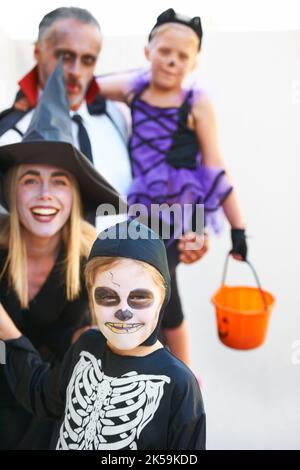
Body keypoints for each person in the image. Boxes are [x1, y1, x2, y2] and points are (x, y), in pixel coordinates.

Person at [97, 8, 248, 367]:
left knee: (164, 285)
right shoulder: (134, 89)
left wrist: (238, 228)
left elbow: (215, 165)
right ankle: (142, 360)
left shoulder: (196, 102)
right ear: (147, 51)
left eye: (183, 56)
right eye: (164, 51)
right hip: (139, 210)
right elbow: (87, 83)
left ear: (194, 63)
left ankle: (186, 374)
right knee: (145, 285)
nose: (172, 61)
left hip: (180, 213)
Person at [0, 61, 123, 449]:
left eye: (59, 182)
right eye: (30, 180)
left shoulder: (98, 265)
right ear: (11, 192)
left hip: (54, 419)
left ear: (76, 195)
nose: (45, 196)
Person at [0, 219, 206, 450]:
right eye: (107, 296)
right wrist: (5, 328)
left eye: (139, 297)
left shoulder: (179, 383)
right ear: (91, 297)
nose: (123, 312)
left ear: (162, 299)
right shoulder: (86, 348)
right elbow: (42, 395)